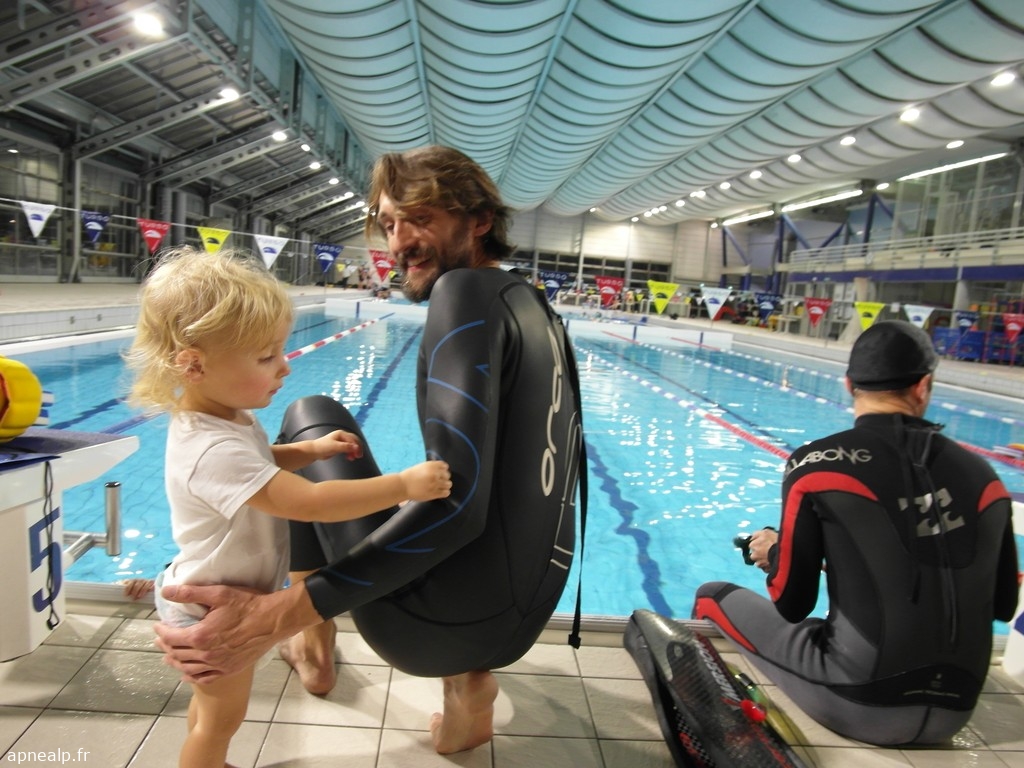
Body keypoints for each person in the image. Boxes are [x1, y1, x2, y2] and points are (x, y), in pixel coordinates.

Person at [153, 147, 585, 754]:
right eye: (388, 223)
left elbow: (457, 507)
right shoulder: (534, 306)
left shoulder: (463, 294)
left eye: (420, 218)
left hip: (435, 628)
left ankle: (314, 644)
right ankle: (466, 686)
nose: (399, 241)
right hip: (522, 617)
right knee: (380, 466)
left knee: (309, 414)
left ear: (480, 220)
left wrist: (281, 614)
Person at [127, 246, 452, 768]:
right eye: (265, 357)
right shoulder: (211, 446)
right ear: (193, 364)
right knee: (220, 720)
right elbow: (312, 503)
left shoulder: (220, 418)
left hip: (210, 592)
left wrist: (310, 450)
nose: (284, 366)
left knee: (209, 711)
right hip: (209, 610)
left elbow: (256, 464)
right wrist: (403, 485)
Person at [694, 320, 1019, 746]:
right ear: (924, 386)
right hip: (957, 708)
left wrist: (776, 553)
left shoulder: (816, 465)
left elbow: (792, 603)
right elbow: (1003, 604)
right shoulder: (985, 475)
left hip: (861, 702)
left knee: (711, 596)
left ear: (849, 385)